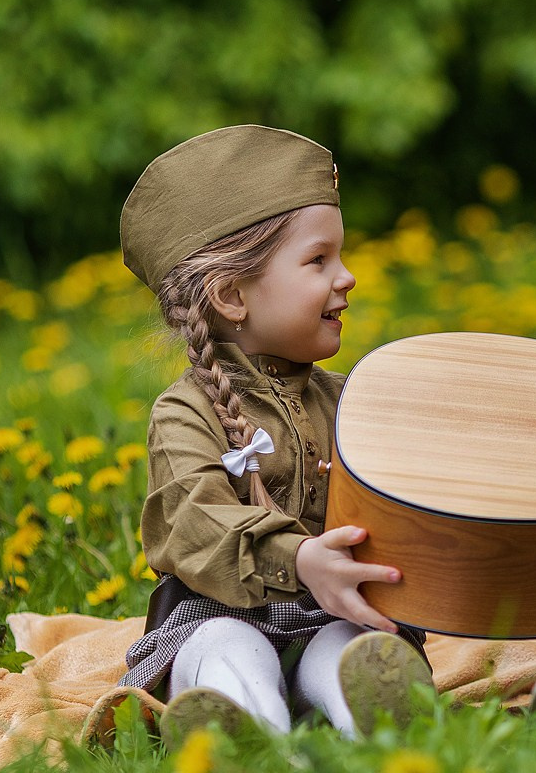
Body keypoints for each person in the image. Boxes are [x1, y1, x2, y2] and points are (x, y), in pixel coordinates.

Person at [116, 125, 431, 739]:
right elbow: (193, 521)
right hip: (219, 610)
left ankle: (374, 724)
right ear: (232, 295)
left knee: (349, 646)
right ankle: (252, 736)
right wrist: (298, 557)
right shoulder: (184, 415)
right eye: (319, 260)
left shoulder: (350, 400)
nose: (348, 277)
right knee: (225, 646)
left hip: (328, 615)